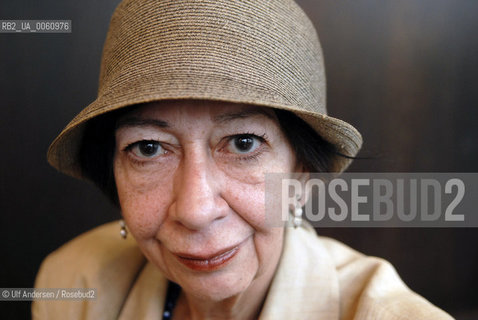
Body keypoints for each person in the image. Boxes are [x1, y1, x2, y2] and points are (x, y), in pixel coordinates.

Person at [33, 0, 453, 319]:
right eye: (148, 148)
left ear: (301, 175)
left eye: (243, 143)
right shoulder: (72, 286)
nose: (196, 211)